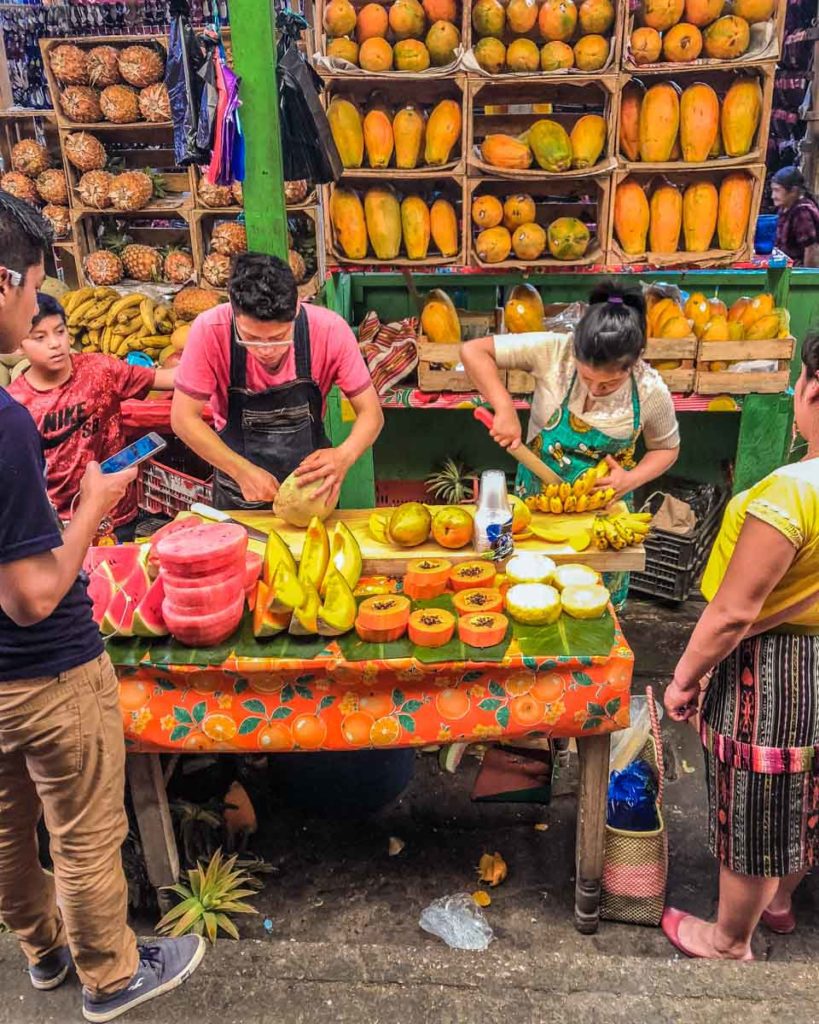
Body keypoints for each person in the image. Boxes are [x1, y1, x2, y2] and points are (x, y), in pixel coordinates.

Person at [0, 192, 204, 1019]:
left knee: (8, 833)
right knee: (83, 833)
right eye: (31, 292)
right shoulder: (9, 422)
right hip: (42, 668)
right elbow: (33, 595)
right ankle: (111, 976)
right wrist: (92, 500)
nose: (31, 316)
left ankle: (43, 954)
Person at [662, 331, 819, 961]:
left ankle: (729, 938)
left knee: (756, 800)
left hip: (772, 670)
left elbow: (732, 614)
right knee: (806, 792)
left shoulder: (793, 494)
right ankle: (779, 903)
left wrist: (684, 677)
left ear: (814, 389)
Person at [461, 282, 680, 605]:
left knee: (594, 609)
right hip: (536, 509)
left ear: (634, 363)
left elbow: (667, 449)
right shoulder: (555, 351)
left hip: (604, 519)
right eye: (587, 377)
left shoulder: (650, 390)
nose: (594, 389)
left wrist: (631, 479)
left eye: (609, 383)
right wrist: (504, 407)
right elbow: (473, 350)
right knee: (528, 596)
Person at [172, 252, 383, 510]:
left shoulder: (329, 331)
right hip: (239, 495)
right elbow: (183, 418)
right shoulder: (209, 330)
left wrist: (344, 456)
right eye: (251, 337)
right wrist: (241, 471)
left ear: (296, 308)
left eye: (278, 337)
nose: (266, 350)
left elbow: (372, 413)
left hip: (311, 493)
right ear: (233, 309)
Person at [8, 293, 176, 542]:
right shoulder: (17, 405)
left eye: (60, 331)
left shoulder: (100, 369)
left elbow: (164, 379)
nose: (55, 344)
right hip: (63, 523)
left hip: (119, 513)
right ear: (19, 345)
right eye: (40, 338)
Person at [771, 166, 819, 267]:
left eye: (777, 190)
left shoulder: (802, 213)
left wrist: (807, 279)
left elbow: (811, 250)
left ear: (793, 191)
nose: (773, 196)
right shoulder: (784, 208)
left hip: (797, 274)